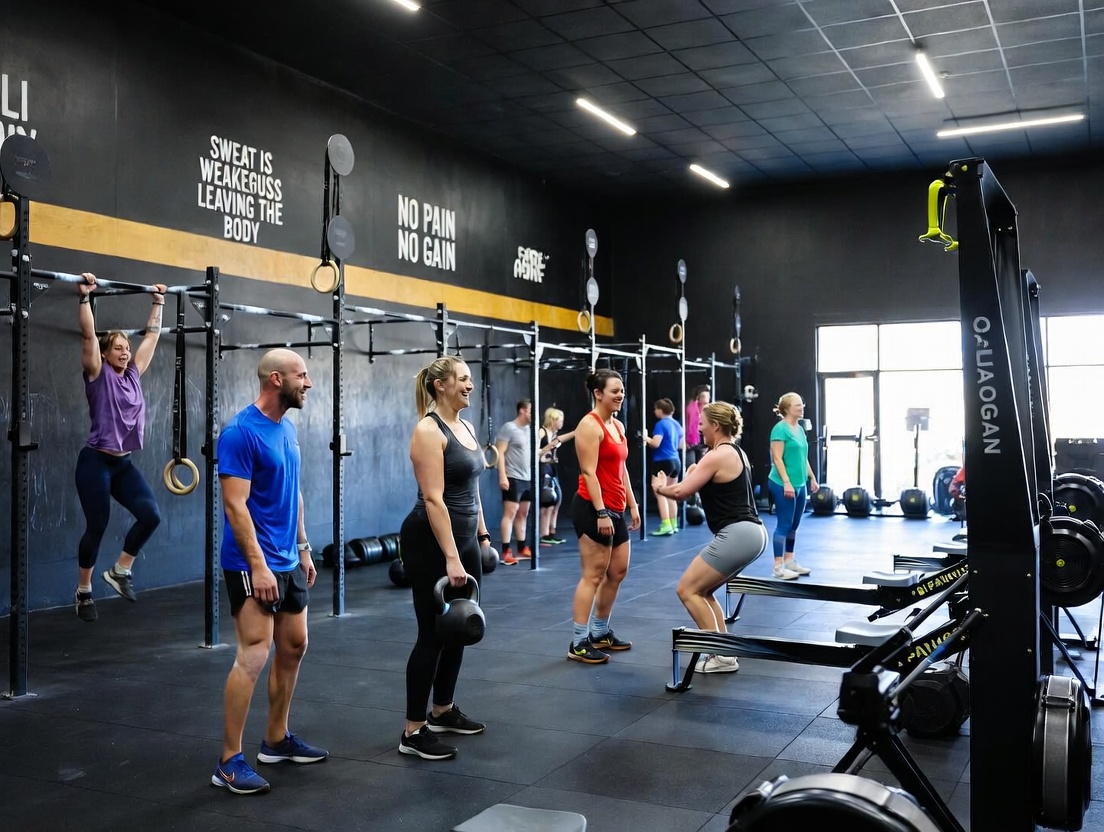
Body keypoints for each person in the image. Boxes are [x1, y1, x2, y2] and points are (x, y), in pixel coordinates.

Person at [211, 349, 327, 795]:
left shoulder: (288, 429)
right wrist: (259, 566)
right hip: (251, 563)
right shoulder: (240, 433)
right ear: (276, 379)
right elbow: (235, 506)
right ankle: (227, 760)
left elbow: (292, 492)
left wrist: (302, 547)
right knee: (254, 653)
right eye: (302, 375)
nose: (309, 383)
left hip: (286, 558)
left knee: (294, 645)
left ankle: (276, 741)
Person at [399, 355, 493, 761]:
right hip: (430, 540)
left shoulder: (467, 427)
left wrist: (483, 535)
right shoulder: (427, 430)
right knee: (433, 632)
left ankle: (442, 710)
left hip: (466, 538)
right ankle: (413, 730)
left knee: (461, 627)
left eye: (471, 379)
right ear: (441, 385)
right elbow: (434, 500)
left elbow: (472, 491)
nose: (469, 385)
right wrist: (452, 558)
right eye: (464, 379)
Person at [74, 272, 166, 622]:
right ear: (106, 352)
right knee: (97, 525)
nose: (125, 352)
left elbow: (152, 338)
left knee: (151, 515)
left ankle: (120, 571)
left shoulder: (132, 375)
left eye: (127, 348)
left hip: (122, 465)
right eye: (118, 348)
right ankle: (83, 591)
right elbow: (87, 334)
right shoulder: (97, 373)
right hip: (95, 462)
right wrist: (84, 298)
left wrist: (157, 303)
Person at [653, 401, 767, 673]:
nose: (698, 427)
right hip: (751, 533)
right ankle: (724, 652)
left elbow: (680, 493)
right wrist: (691, 475)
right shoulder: (733, 452)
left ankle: (720, 656)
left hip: (740, 533)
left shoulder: (717, 455)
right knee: (703, 591)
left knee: (687, 590)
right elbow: (695, 487)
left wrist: (660, 488)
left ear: (716, 425)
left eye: (702, 422)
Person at [568, 368, 641, 664]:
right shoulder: (590, 425)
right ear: (598, 394)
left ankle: (599, 632)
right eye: (615, 391)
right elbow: (588, 471)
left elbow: (621, 470)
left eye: (622, 391)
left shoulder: (618, 426)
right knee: (594, 574)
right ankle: (578, 642)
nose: (620, 395)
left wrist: (633, 505)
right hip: (591, 507)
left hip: (616, 508)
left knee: (618, 571)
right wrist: (601, 511)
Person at [767, 392, 819, 580]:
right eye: (797, 405)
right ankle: (778, 567)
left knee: (794, 525)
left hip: (799, 483)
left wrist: (812, 477)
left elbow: (802, 458)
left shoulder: (799, 429)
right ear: (787, 409)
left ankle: (789, 560)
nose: (801, 407)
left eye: (801, 404)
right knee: (784, 525)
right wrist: (787, 483)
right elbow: (777, 458)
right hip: (782, 483)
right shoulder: (780, 429)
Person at [495, 399, 533, 565]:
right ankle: (506, 551)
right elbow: (499, 452)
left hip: (527, 478)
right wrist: (502, 475)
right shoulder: (509, 428)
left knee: (523, 514)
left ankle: (522, 548)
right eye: (531, 411)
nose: (533, 414)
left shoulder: (529, 430)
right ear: (523, 410)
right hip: (512, 477)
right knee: (510, 513)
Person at [643, 397, 683, 536]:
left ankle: (666, 525)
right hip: (676, 461)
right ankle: (673, 524)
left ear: (660, 410)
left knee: (660, 493)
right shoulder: (678, 425)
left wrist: (645, 437)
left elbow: (656, 443)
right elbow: (681, 446)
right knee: (671, 494)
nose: (654, 412)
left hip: (662, 461)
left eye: (655, 409)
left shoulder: (660, 424)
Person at [538, 406, 574, 547]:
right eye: (560, 420)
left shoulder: (555, 435)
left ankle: (551, 531)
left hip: (552, 468)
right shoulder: (542, 432)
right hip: (544, 468)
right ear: (552, 420)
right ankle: (543, 534)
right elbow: (536, 450)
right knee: (548, 500)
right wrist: (547, 448)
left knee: (557, 500)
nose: (562, 423)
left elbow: (562, 439)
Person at [685, 385, 711, 466]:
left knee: (703, 464)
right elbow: (689, 423)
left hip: (704, 440)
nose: (707, 398)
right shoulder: (692, 407)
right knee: (691, 465)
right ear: (699, 397)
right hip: (692, 440)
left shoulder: (710, 409)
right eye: (703, 396)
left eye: (707, 396)